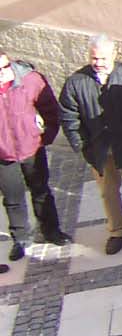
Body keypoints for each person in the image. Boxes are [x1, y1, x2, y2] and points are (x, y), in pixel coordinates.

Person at [59, 34, 122, 255]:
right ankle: (117, 231)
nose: (99, 63)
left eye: (103, 58)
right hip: (100, 150)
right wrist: (82, 145)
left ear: (114, 55)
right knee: (108, 193)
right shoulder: (76, 83)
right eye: (94, 58)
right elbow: (69, 117)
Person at [0, 47, 68, 257]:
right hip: (4, 155)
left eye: (4, 67)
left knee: (41, 191)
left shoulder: (30, 80)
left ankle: (51, 231)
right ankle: (20, 239)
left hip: (31, 148)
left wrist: (45, 137)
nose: (1, 72)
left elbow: (50, 109)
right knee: (13, 198)